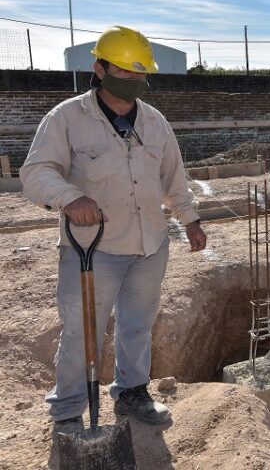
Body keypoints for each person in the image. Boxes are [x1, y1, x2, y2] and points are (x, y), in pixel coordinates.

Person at [20, 26, 207, 437]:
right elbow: (35, 172)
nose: (136, 83)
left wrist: (190, 219)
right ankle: (69, 410)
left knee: (138, 323)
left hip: (149, 244)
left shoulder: (155, 122)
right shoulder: (68, 118)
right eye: (126, 73)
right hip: (93, 249)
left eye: (142, 76)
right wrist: (69, 197)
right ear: (99, 69)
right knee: (82, 328)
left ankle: (132, 391)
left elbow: (174, 178)